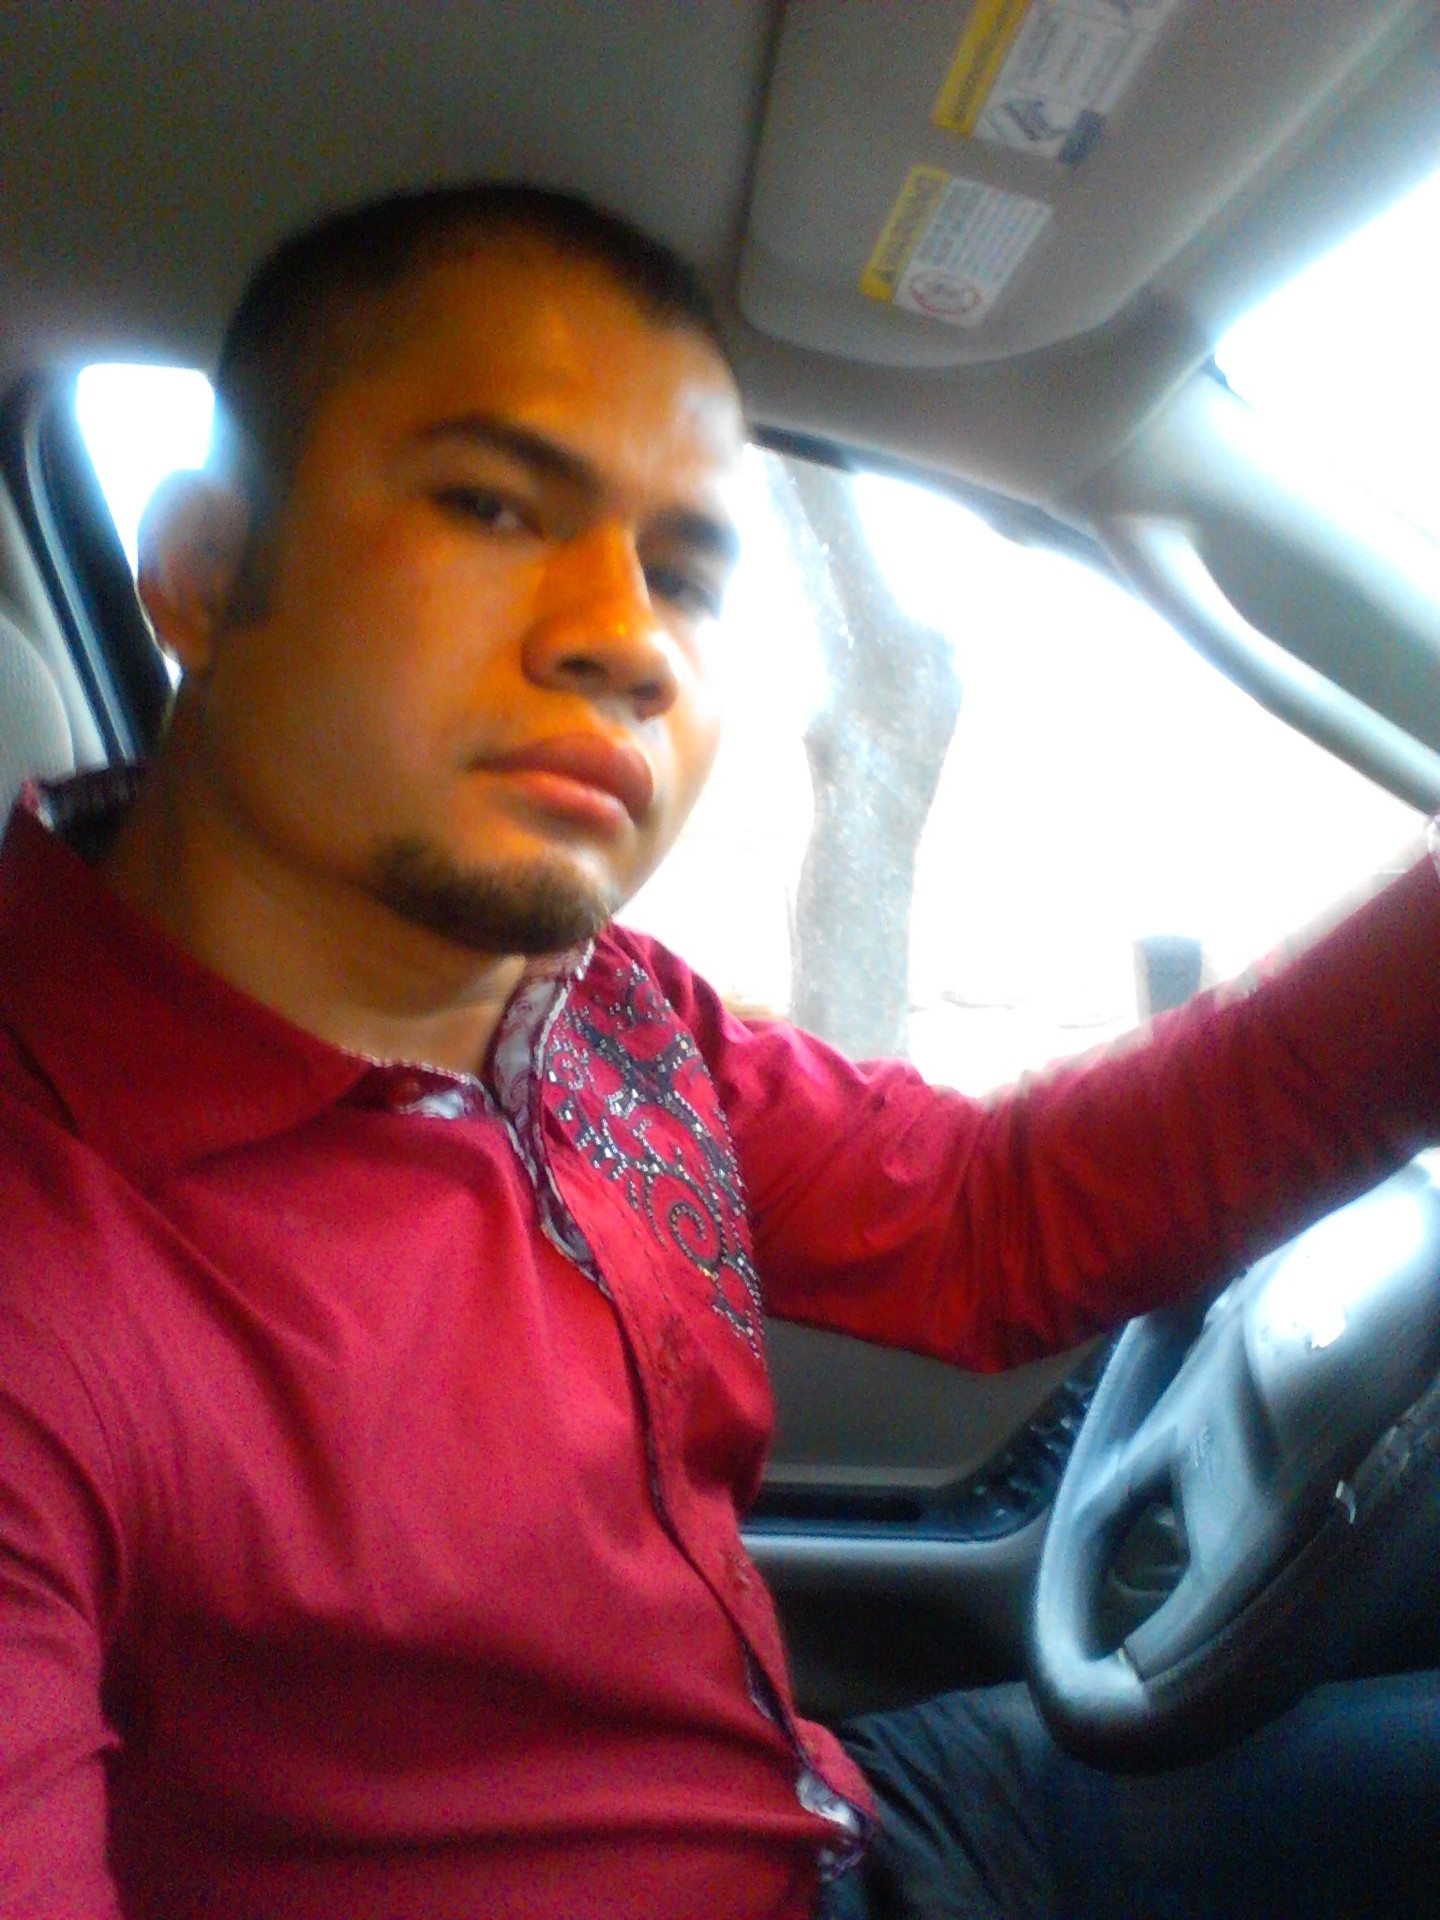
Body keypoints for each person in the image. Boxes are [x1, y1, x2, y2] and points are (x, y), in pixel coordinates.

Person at [1, 183, 1437, 1920]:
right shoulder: (47, 1254)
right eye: (490, 503)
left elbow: (990, 1220)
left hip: (852, 1822)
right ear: (203, 567)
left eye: (685, 576)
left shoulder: (586, 1001)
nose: (628, 641)